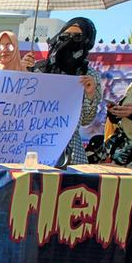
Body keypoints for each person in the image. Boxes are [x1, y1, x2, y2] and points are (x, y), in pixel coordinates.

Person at [33, 17, 102, 166]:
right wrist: (24, 72)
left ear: (87, 41)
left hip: (71, 152)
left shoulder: (89, 75)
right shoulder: (39, 69)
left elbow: (86, 120)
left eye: (77, 37)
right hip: (36, 146)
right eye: (65, 36)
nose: (70, 41)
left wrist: (90, 95)